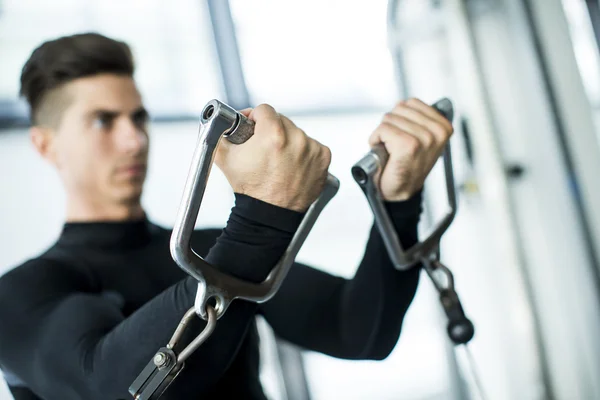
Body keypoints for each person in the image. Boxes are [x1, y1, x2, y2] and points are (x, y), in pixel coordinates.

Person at [0, 33, 453, 400]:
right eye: (103, 121)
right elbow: (106, 385)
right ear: (45, 144)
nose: (134, 140)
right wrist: (261, 220)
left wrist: (398, 201)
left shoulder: (215, 249)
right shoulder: (25, 292)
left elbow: (358, 331)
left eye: (138, 118)